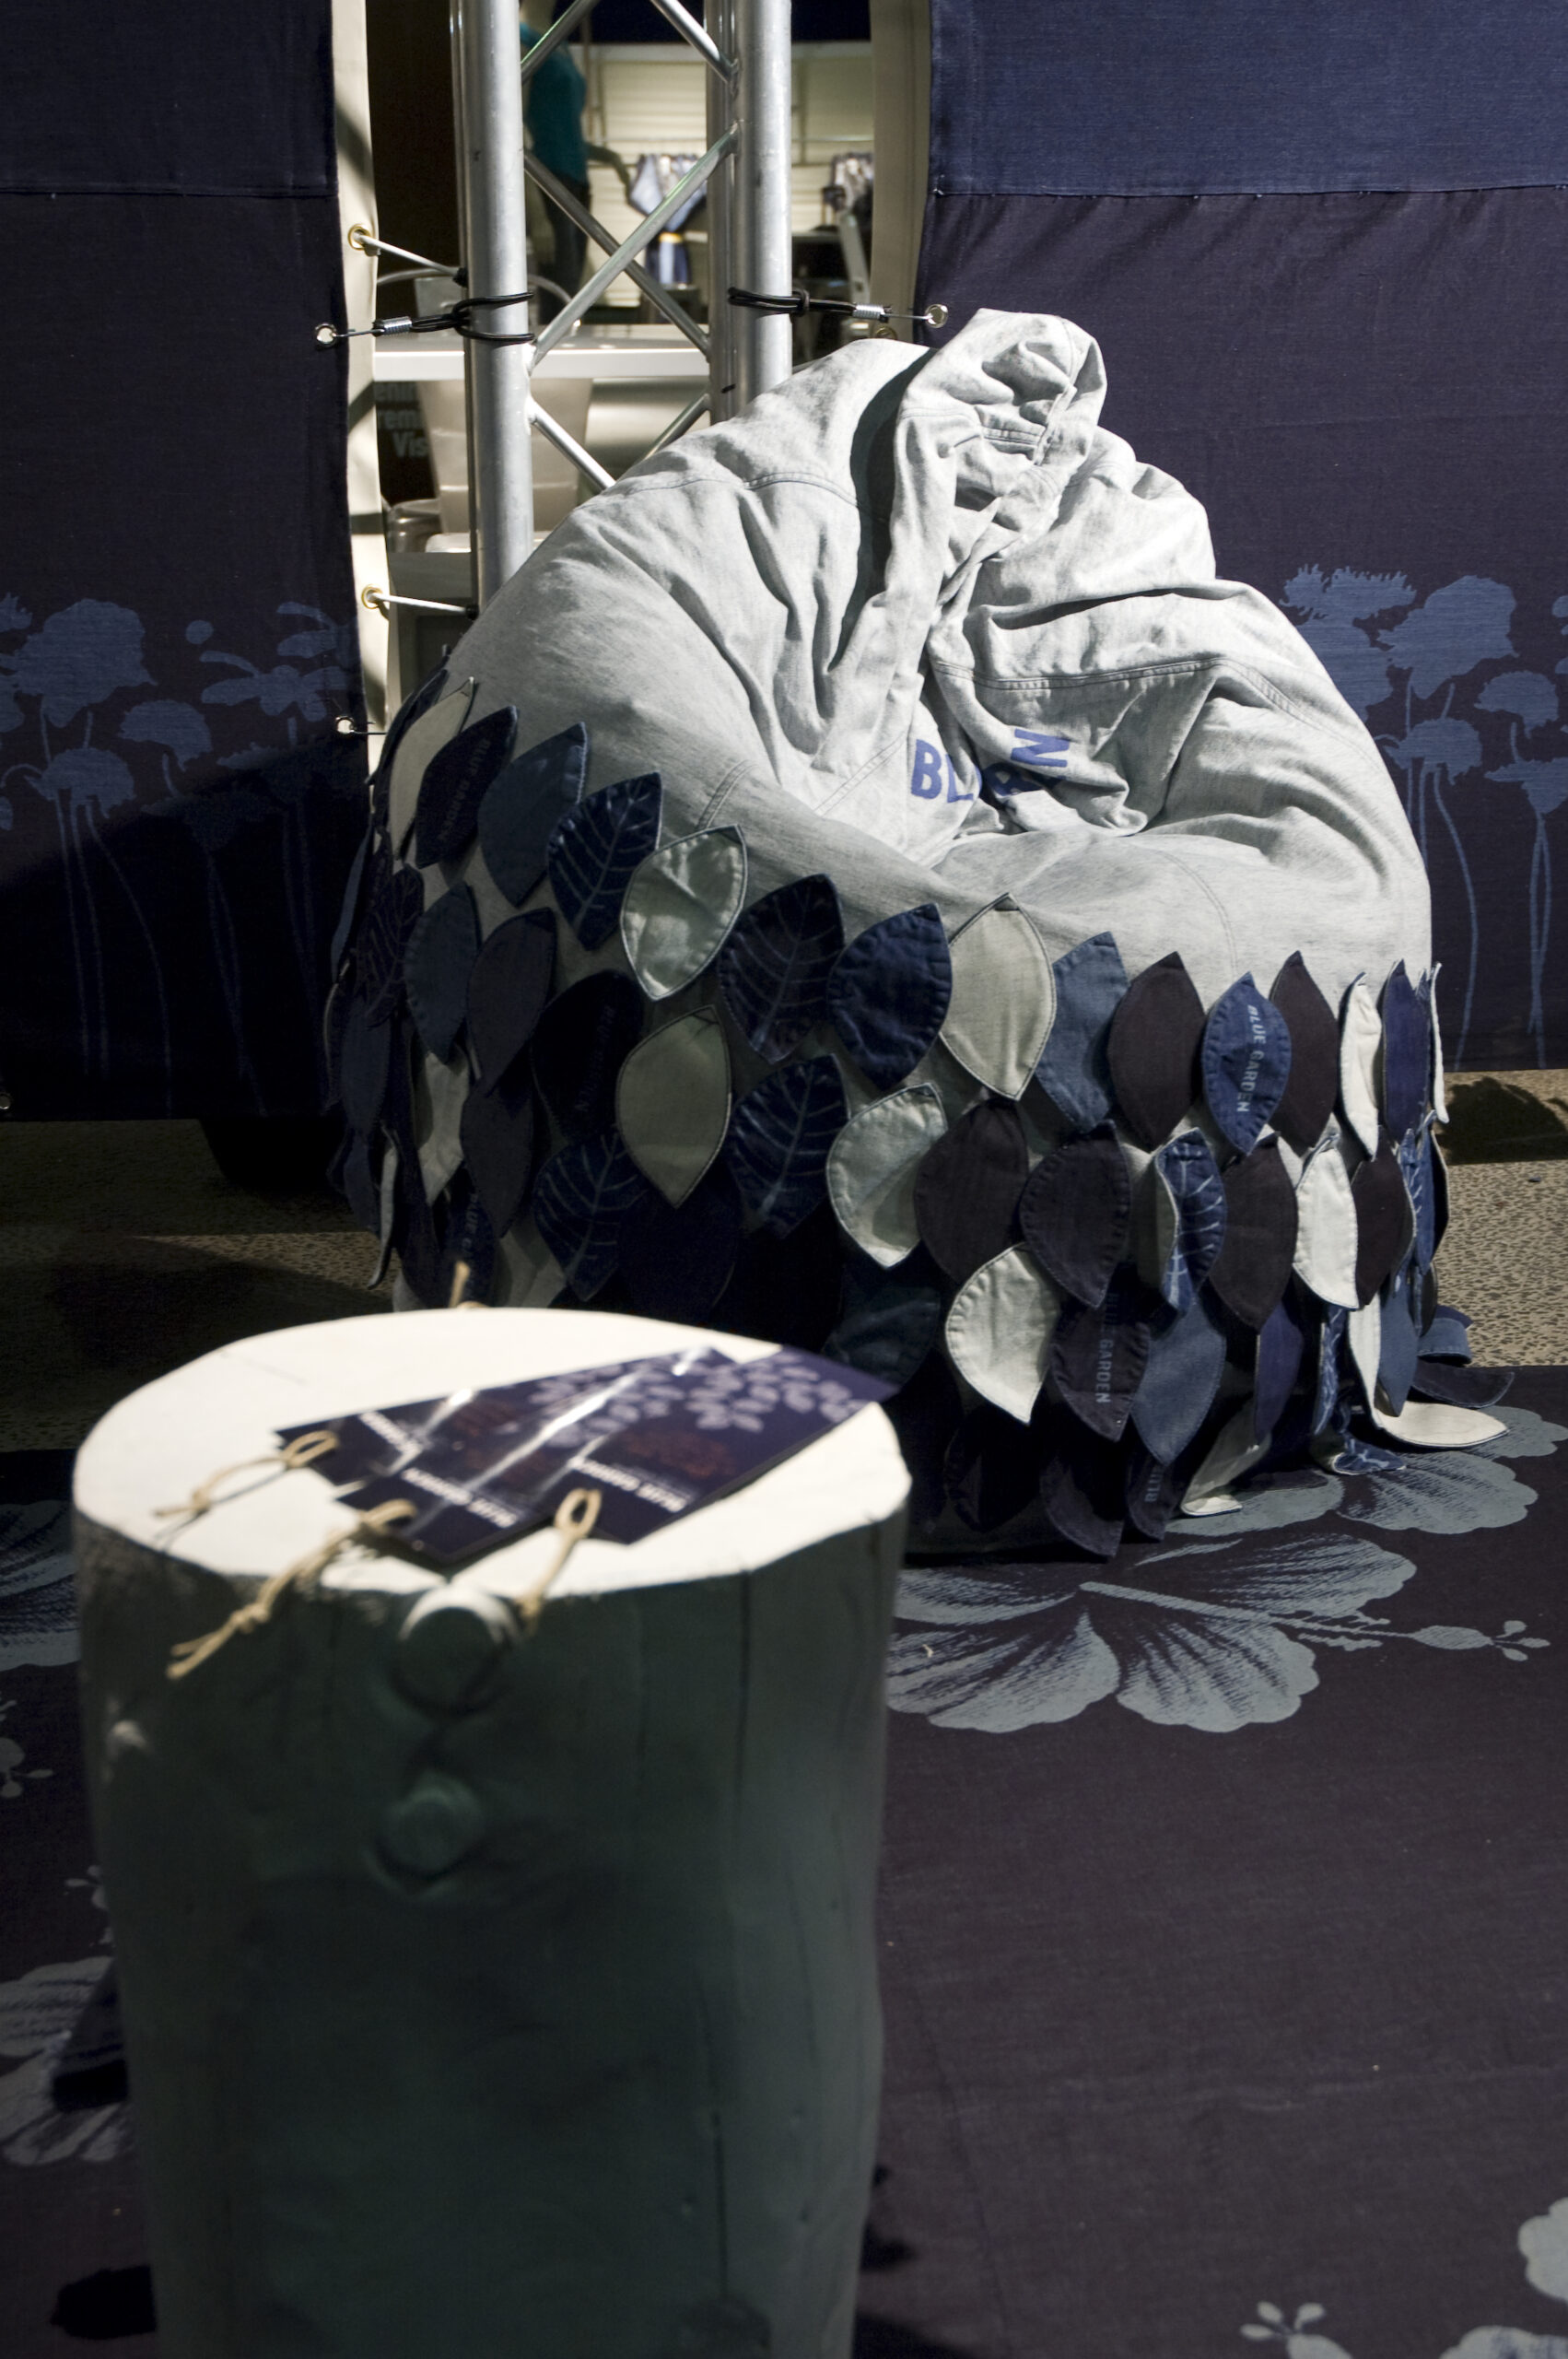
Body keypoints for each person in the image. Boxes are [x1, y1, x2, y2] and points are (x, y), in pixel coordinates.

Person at [520, 5, 590, 313]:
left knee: (573, 293)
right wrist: (537, 215)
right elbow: (511, 132)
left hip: (577, 180)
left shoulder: (558, 39)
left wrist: (612, 158)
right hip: (547, 179)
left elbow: (565, 126)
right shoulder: (520, 39)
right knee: (559, 297)